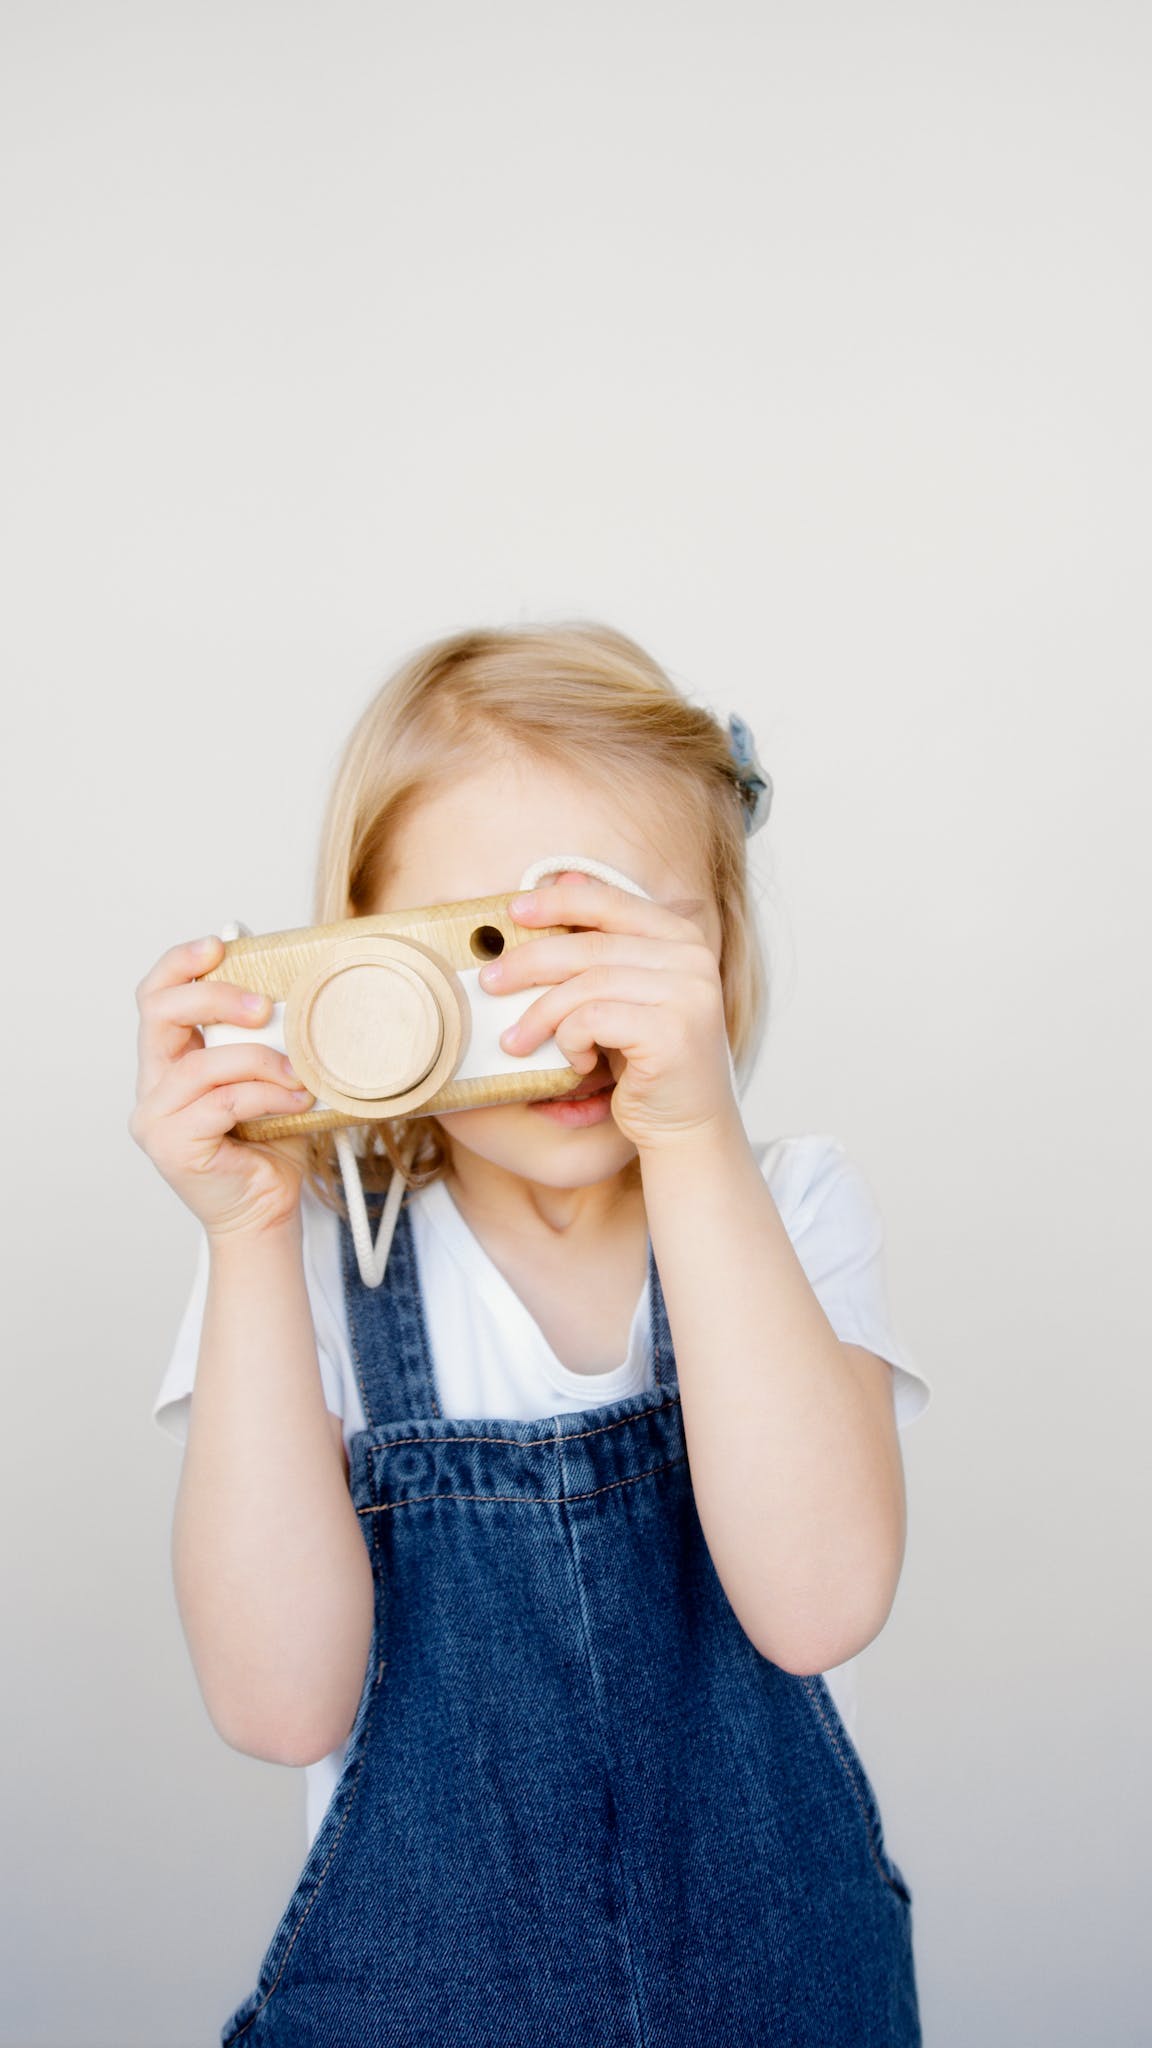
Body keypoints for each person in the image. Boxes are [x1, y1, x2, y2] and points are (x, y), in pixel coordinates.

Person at [133, 622, 932, 2046]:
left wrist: (694, 1134)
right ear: (353, 964)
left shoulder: (793, 1211)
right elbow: (277, 1705)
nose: (556, 1018)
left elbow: (816, 1606)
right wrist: (246, 1232)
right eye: (485, 948)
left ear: (718, 949)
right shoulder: (302, 1260)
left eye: (613, 944)